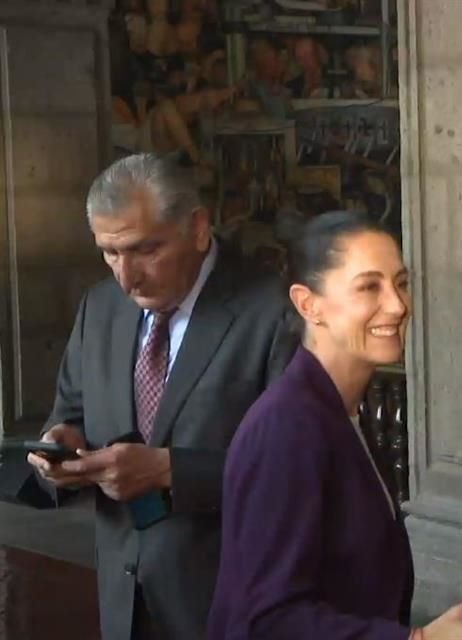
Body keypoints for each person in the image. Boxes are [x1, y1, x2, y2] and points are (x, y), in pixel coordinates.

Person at [207, 213, 462, 640]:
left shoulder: (339, 410)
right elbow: (270, 619)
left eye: (401, 282)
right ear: (308, 304)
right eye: (369, 287)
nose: (397, 305)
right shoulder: (286, 428)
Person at [26, 152, 297, 640]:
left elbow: (297, 473)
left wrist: (170, 470)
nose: (126, 278)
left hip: (230, 606)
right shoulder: (100, 307)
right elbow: (71, 413)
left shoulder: (274, 315)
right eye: (109, 253)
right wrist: (62, 444)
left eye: (144, 249)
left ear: (196, 227)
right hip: (122, 601)